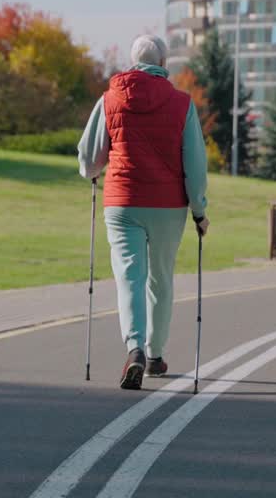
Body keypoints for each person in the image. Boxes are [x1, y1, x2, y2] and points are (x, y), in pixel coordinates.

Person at [78, 35, 209, 390]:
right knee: (160, 279)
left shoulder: (109, 99)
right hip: (168, 206)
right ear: (163, 63)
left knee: (129, 278)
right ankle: (154, 355)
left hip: (122, 203)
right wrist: (200, 211)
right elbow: (195, 164)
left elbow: (90, 157)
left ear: (133, 62)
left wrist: (91, 173)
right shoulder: (182, 103)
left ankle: (133, 348)